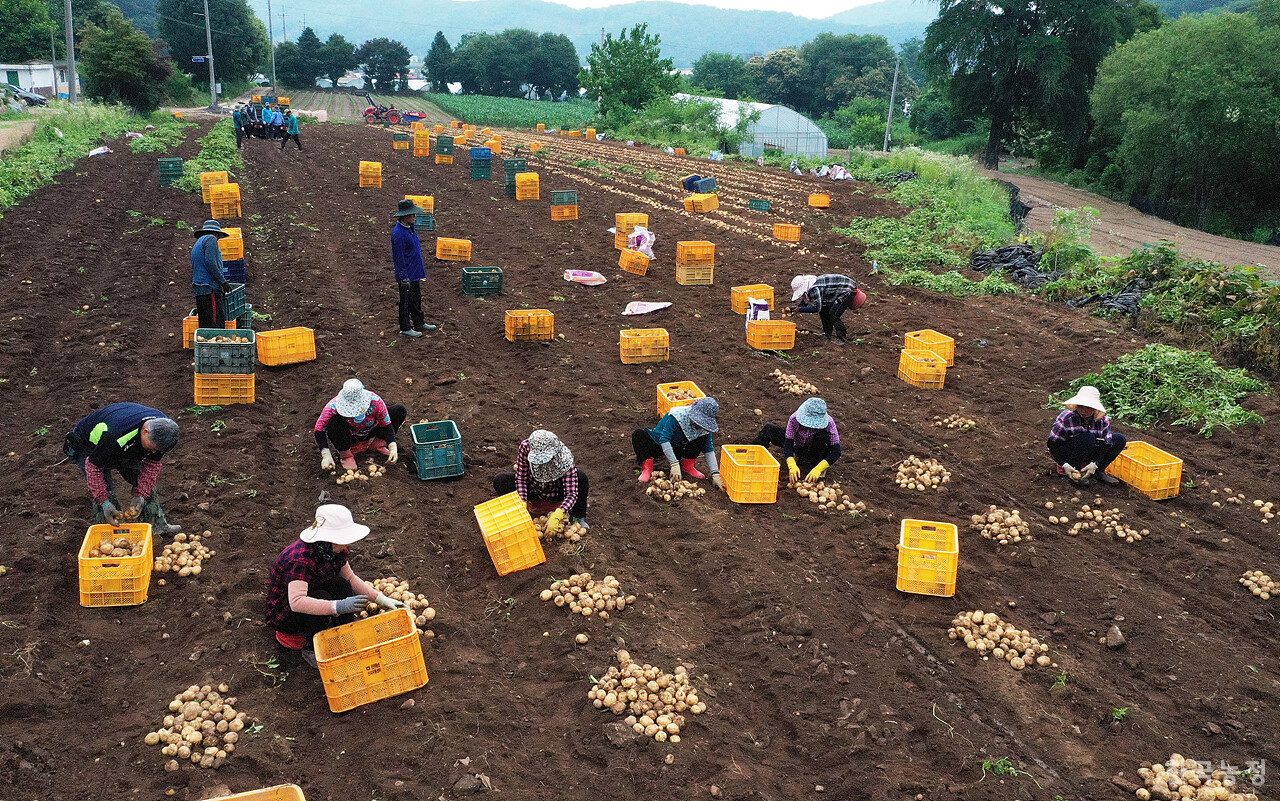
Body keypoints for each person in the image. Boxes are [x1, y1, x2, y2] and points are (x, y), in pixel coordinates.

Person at [264, 504, 404, 666]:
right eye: (343, 540)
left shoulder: (333, 551)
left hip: (310, 595)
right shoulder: (300, 559)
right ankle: (311, 648)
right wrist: (338, 606)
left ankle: (344, 634)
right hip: (285, 614)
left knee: (342, 585)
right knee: (322, 597)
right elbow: (297, 602)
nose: (346, 546)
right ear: (328, 539)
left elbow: (350, 577)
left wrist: (381, 599)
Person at [64, 403, 182, 533]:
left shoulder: (164, 431)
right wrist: (104, 501)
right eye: (152, 448)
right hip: (90, 447)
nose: (154, 452)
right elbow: (93, 467)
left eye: (157, 450)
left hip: (128, 443)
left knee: (145, 483)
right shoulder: (115, 436)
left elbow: (151, 466)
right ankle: (111, 533)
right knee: (106, 489)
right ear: (145, 431)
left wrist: (141, 494)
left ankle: (157, 525)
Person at [493, 430, 589, 534]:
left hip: (556, 491)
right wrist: (522, 501)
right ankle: (518, 516)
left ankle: (578, 517)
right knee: (501, 480)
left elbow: (571, 493)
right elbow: (521, 477)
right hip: (533, 488)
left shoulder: (564, 458)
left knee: (581, 477)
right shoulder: (526, 447)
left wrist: (559, 514)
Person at [632, 397, 724, 490]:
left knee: (701, 439)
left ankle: (688, 466)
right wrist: (674, 464)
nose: (699, 425)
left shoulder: (704, 428)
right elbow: (664, 439)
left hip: (676, 448)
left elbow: (709, 449)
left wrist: (715, 474)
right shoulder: (677, 416)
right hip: (657, 444)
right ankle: (647, 468)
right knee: (638, 434)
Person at [315, 379, 405, 471]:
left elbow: (386, 424)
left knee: (399, 410)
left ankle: (376, 443)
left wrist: (392, 446)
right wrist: (326, 455)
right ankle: (346, 455)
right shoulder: (332, 406)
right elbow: (319, 429)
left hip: (371, 431)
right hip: (350, 436)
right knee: (334, 422)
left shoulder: (375, 401)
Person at [1047, 385, 1126, 486]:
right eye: (1081, 406)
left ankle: (1098, 471)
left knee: (1119, 439)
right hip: (1068, 453)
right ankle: (1074, 471)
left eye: (1088, 408)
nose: (1083, 411)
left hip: (1089, 449)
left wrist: (1095, 463)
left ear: (1095, 408)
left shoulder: (1102, 420)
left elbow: (1106, 444)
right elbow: (1052, 444)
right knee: (1088, 437)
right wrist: (1064, 464)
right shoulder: (1066, 418)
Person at [754, 398, 841, 483]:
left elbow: (836, 451)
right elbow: (788, 443)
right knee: (769, 429)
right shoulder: (794, 418)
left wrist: (819, 468)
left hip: (815, 450)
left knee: (822, 436)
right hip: (797, 445)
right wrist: (791, 464)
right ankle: (754, 457)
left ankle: (817, 464)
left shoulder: (829, 423)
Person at [391, 199, 436, 337]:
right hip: (407, 273)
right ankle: (405, 327)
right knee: (405, 301)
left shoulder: (410, 228)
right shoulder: (398, 234)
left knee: (416, 298)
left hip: (415, 271)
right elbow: (399, 259)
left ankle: (419, 322)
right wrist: (403, 277)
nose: (414, 217)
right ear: (404, 216)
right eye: (412, 215)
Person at [790, 274, 867, 344]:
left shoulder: (815, 289)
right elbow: (806, 300)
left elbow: (816, 308)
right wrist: (798, 307)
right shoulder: (810, 286)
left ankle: (841, 338)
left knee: (834, 313)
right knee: (824, 310)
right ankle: (827, 333)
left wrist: (800, 309)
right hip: (838, 290)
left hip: (848, 290)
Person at [191, 220, 231, 328]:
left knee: (205, 325)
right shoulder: (211, 239)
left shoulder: (199, 242)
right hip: (209, 288)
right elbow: (210, 263)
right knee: (215, 325)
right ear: (217, 234)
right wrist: (223, 282)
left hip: (200, 288)